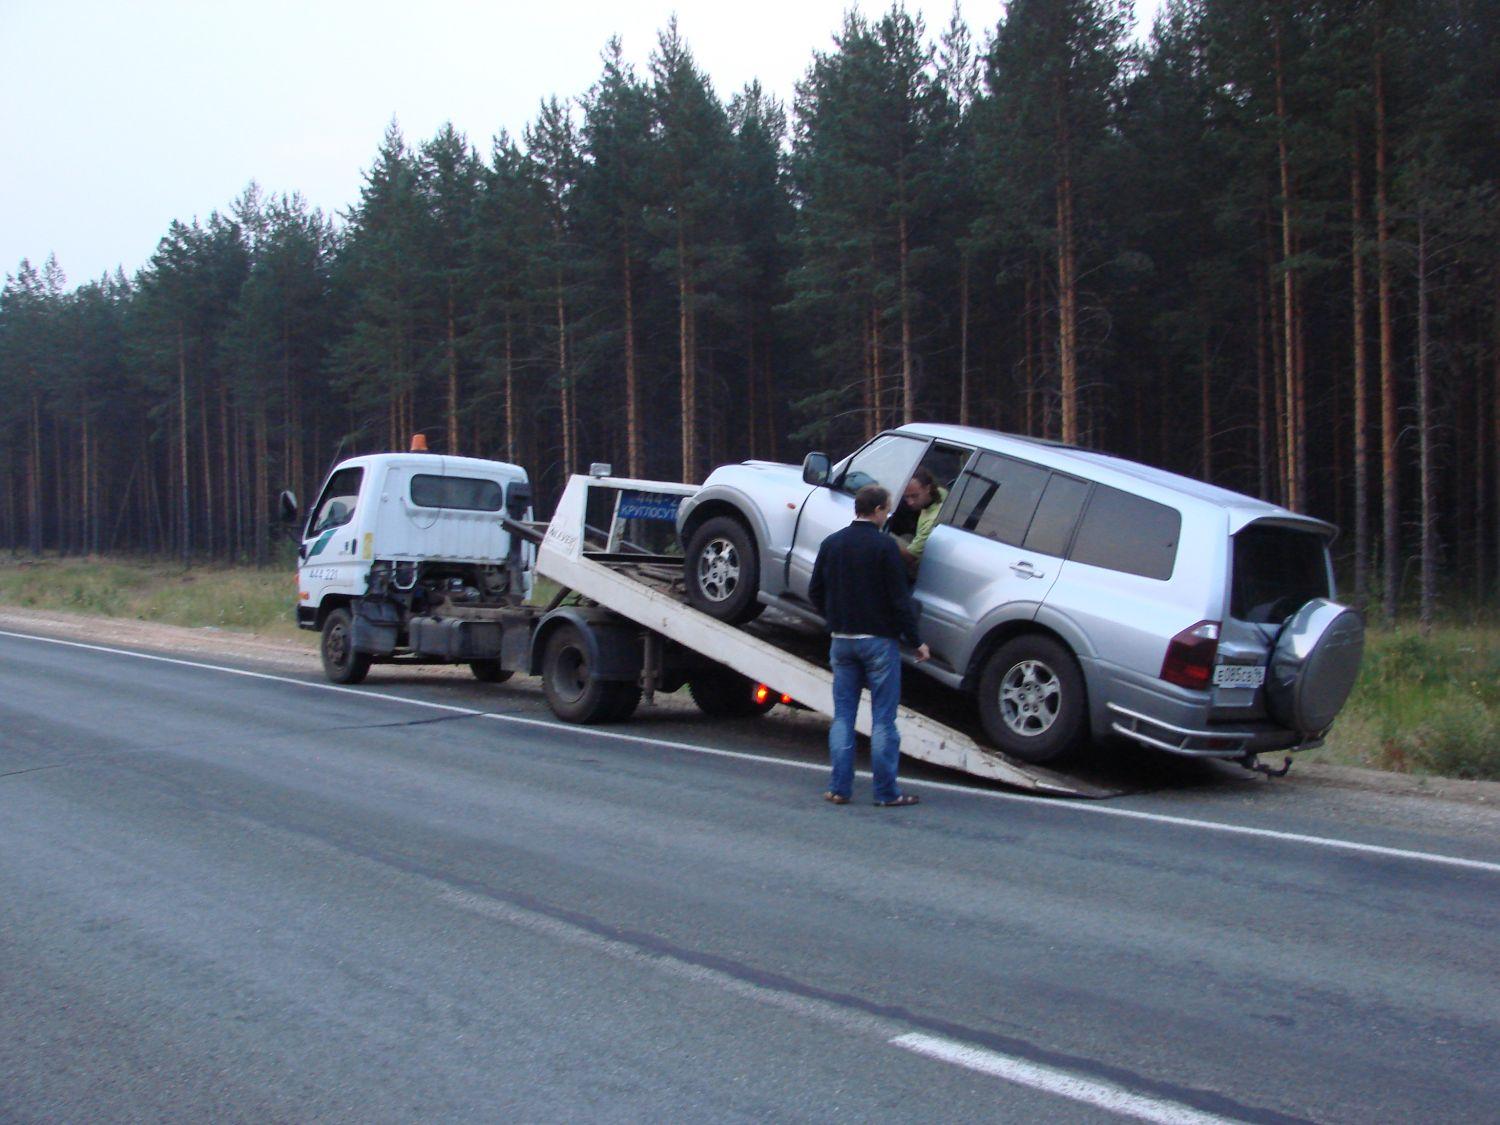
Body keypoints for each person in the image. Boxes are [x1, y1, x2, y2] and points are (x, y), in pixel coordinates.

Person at [808, 483, 930, 807]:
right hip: (878, 642)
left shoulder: (831, 544)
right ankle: (887, 793)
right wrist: (916, 641)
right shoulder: (884, 547)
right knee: (883, 720)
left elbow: (815, 591)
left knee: (844, 716)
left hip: (842, 641)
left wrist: (834, 618)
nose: (888, 514)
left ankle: (839, 788)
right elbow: (899, 600)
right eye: (886, 509)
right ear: (877, 511)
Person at [895, 466, 946, 578]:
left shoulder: (932, 521)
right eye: (906, 497)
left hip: (922, 568)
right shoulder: (940, 493)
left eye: (914, 496)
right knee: (907, 536)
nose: (910, 502)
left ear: (927, 488)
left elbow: (910, 557)